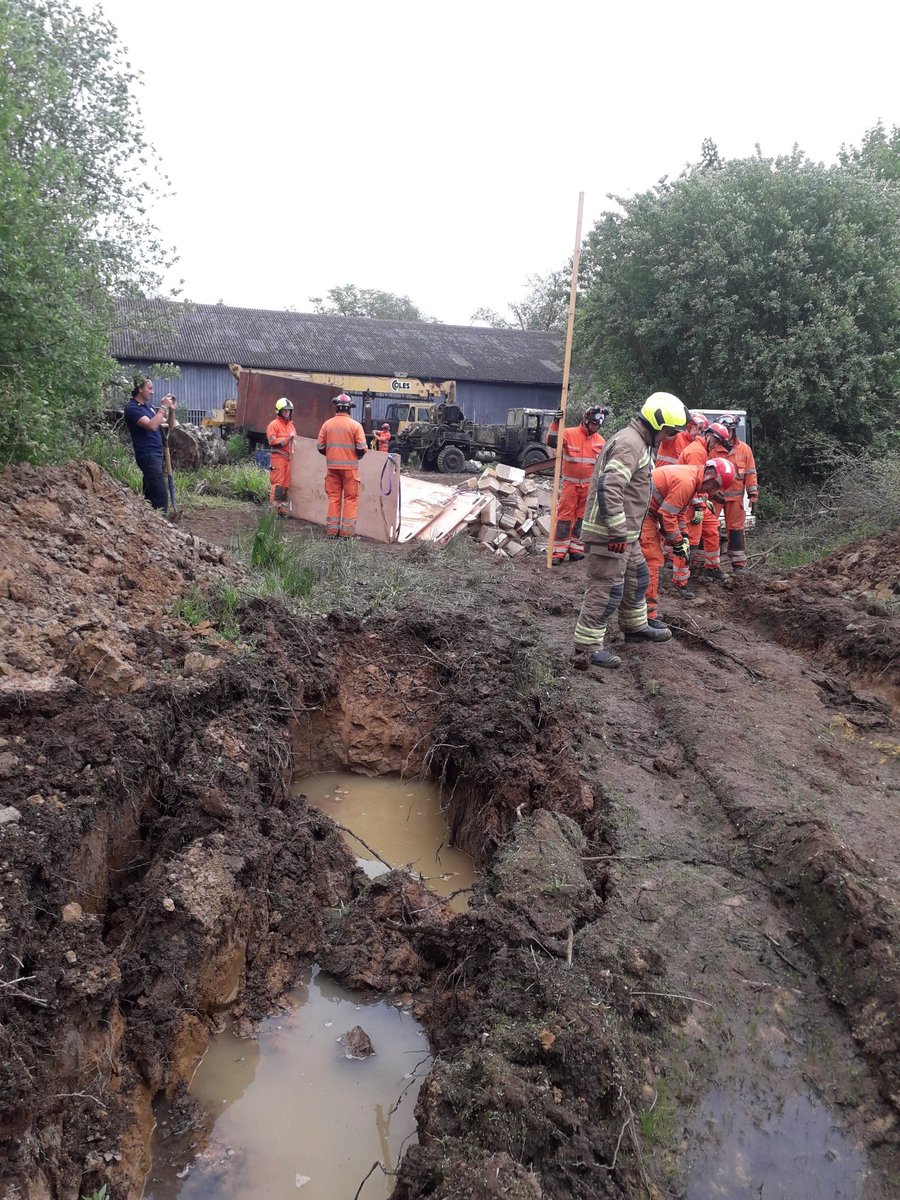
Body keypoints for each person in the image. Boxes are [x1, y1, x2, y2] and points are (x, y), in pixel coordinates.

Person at [573, 392, 689, 669]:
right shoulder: (630, 443)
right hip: (609, 533)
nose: (670, 437)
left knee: (637, 576)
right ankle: (587, 648)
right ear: (657, 423)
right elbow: (611, 486)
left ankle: (635, 627)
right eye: (670, 431)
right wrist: (616, 531)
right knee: (606, 589)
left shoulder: (641, 442)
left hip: (626, 533)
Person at [641, 457, 736, 626]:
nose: (713, 492)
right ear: (709, 474)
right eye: (715, 486)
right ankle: (647, 617)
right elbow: (666, 515)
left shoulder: (692, 482)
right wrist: (678, 542)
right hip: (643, 511)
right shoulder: (687, 482)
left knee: (649, 560)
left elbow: (679, 513)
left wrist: (684, 535)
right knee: (653, 561)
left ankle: (645, 613)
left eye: (717, 489)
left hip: (646, 510)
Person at [549, 405, 609, 564]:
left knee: (582, 518)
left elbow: (603, 465)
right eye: (593, 424)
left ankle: (575, 549)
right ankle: (558, 552)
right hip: (571, 484)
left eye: (597, 425)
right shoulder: (569, 433)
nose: (595, 427)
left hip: (588, 486)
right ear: (586, 420)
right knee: (564, 518)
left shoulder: (601, 441)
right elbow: (552, 442)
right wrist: (556, 423)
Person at [316, 394, 367, 538]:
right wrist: (355, 456)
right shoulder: (355, 426)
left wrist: (332, 455)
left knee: (334, 498)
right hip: (350, 470)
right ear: (349, 408)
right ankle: (346, 533)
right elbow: (362, 448)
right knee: (350, 499)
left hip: (332, 468)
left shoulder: (327, 425)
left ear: (336, 408)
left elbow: (320, 446)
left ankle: (332, 531)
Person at [715, 414, 759, 575]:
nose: (726, 434)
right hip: (716, 497)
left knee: (736, 531)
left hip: (735, 499)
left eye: (729, 430)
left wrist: (752, 493)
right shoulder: (712, 449)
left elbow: (750, 473)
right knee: (709, 528)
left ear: (733, 431)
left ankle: (738, 564)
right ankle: (706, 564)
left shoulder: (744, 449)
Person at [123, 378, 176, 510]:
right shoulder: (132, 408)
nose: (152, 392)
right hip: (147, 454)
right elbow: (152, 426)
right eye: (150, 388)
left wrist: (172, 410)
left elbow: (169, 425)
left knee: (151, 491)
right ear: (140, 389)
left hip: (157, 453)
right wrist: (163, 407)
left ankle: (148, 516)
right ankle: (162, 519)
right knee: (160, 493)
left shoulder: (149, 408)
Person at [266, 398, 298, 517]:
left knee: (286, 483)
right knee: (278, 483)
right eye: (284, 410)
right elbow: (272, 441)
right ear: (279, 411)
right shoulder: (273, 425)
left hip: (289, 459)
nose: (287, 413)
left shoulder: (291, 426)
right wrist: (287, 439)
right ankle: (274, 508)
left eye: (288, 411)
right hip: (278, 458)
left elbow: (295, 442)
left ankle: (282, 509)